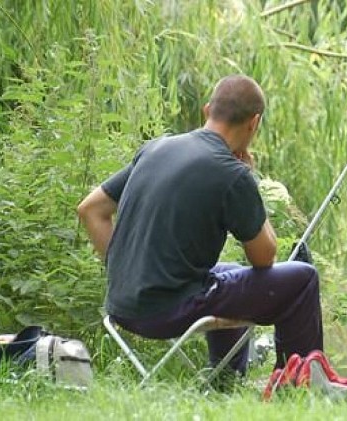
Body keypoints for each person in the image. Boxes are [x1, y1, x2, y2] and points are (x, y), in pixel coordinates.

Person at [77, 74, 323, 378]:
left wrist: (120, 269)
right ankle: (294, 383)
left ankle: (225, 379)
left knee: (228, 272)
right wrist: (249, 180)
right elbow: (264, 257)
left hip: (123, 305)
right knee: (303, 278)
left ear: (208, 110)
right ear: (254, 123)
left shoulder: (156, 149)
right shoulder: (231, 172)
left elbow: (90, 210)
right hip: (169, 310)